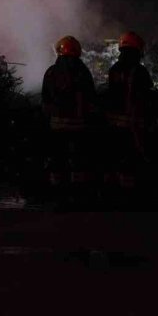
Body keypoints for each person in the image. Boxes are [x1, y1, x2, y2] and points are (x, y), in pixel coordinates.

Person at [41, 35, 97, 205]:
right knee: (78, 160)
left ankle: (57, 196)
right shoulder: (83, 71)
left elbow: (45, 101)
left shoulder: (51, 72)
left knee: (57, 160)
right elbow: (91, 98)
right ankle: (77, 196)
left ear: (59, 51)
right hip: (79, 126)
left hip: (56, 126)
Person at [106, 31, 154, 200]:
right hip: (133, 124)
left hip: (113, 124)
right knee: (132, 161)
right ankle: (130, 196)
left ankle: (113, 193)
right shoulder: (139, 71)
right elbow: (146, 97)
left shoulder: (114, 70)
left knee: (116, 158)